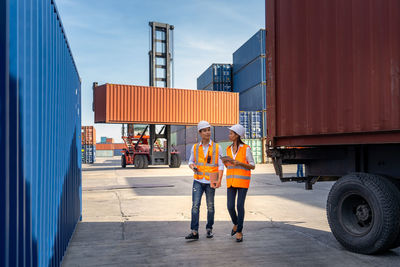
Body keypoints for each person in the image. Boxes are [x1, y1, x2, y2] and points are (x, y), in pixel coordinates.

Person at [185, 121, 224, 240]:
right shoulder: (195, 147)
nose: (208, 132)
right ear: (200, 132)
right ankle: (194, 231)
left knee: (210, 206)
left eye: (209, 130)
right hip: (198, 180)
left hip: (210, 181)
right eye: (205, 130)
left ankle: (209, 229)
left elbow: (221, 165)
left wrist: (219, 180)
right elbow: (190, 162)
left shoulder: (217, 147)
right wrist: (193, 167)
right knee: (195, 206)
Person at [222, 124, 255, 242]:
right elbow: (228, 166)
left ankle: (239, 231)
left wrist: (239, 163)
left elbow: (252, 165)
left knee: (239, 206)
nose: (229, 135)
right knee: (230, 206)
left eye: (231, 133)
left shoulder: (246, 148)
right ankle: (235, 223)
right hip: (231, 182)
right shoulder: (228, 149)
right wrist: (226, 162)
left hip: (242, 182)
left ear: (237, 135)